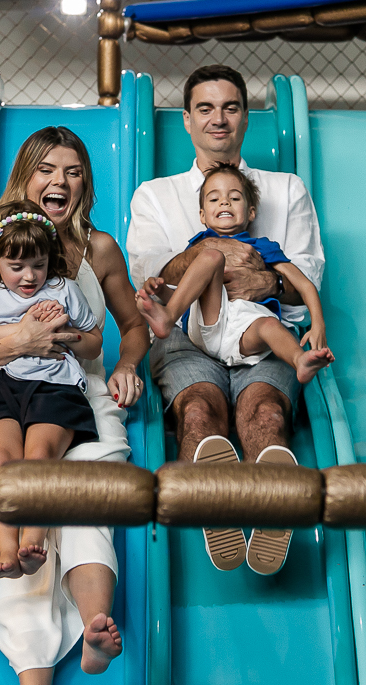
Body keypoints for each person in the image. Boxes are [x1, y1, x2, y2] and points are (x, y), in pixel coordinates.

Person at [0, 126, 149, 685]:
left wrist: (126, 364)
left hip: (76, 396)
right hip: (5, 394)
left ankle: (95, 626)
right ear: (24, 178)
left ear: (86, 183)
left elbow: (129, 327)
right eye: (47, 170)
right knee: (4, 517)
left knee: (85, 499)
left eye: (74, 171)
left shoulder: (98, 250)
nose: (60, 181)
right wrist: (20, 340)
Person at [126, 64, 325, 575]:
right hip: (190, 334)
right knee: (198, 412)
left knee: (266, 415)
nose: (219, 119)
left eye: (231, 107)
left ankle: (271, 514)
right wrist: (206, 253)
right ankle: (218, 514)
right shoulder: (156, 195)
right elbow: (149, 276)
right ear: (187, 120)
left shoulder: (286, 190)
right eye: (205, 108)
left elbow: (305, 283)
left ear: (245, 118)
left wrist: (268, 283)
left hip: (261, 331)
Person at [0, 202, 103, 579]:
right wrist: (22, 330)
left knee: (39, 455)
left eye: (38, 264)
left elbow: (93, 345)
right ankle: (6, 550)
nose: (29, 276)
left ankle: (31, 542)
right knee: (3, 461)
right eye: (16, 266)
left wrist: (64, 332)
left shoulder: (63, 289)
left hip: (55, 386)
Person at [134, 162, 334, 386]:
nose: (224, 202)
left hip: (246, 331)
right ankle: (168, 316)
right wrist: (162, 291)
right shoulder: (198, 249)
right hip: (207, 325)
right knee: (212, 256)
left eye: (235, 198)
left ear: (251, 212)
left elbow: (305, 285)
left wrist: (318, 325)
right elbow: (190, 299)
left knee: (270, 325)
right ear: (202, 215)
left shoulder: (262, 248)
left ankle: (299, 361)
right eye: (214, 199)